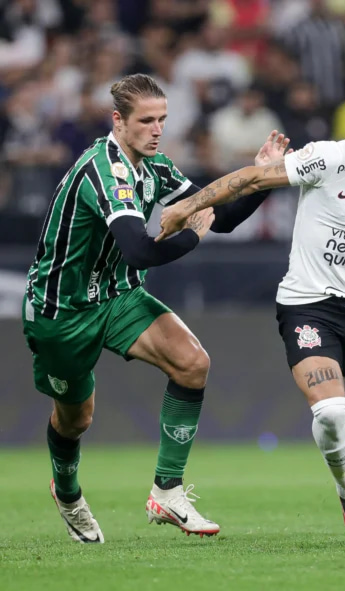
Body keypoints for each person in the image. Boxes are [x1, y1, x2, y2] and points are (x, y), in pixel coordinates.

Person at [22, 74, 290, 543]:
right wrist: (192, 234)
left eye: (162, 119)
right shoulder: (102, 171)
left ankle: (166, 492)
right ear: (118, 121)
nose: (156, 129)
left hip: (118, 296)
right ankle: (67, 492)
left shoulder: (155, 167)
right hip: (61, 311)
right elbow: (140, 251)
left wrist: (263, 176)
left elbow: (220, 217)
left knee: (192, 364)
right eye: (146, 120)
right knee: (75, 418)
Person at [158, 80, 345, 547]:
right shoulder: (329, 157)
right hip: (308, 308)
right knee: (332, 413)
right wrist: (188, 206)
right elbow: (254, 179)